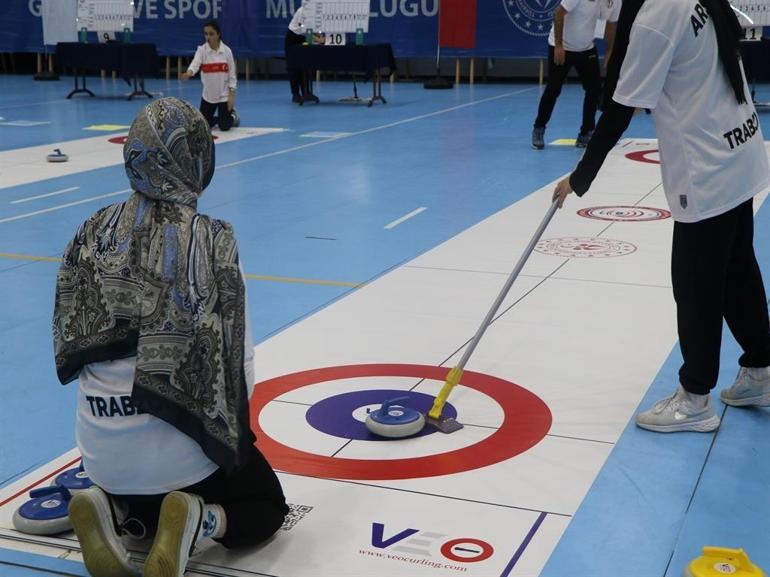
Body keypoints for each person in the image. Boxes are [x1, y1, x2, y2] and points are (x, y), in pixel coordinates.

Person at [54, 97, 288, 577]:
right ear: (198, 161)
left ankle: (115, 509)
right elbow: (237, 371)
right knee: (265, 503)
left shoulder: (89, 231)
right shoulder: (210, 239)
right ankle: (202, 521)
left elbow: (71, 351)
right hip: (180, 466)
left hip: (101, 453)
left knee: (135, 481)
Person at [552, 0, 770, 432]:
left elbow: (621, 109)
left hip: (707, 169)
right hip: (740, 152)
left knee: (695, 285)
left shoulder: (657, 17)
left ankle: (694, 399)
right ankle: (761, 371)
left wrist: (581, 177)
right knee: (735, 270)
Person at [531, 0, 620, 150]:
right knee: (553, 89)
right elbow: (558, 13)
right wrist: (559, 46)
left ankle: (586, 133)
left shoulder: (612, 1)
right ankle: (539, 128)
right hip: (561, 47)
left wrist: (609, 51)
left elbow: (611, 24)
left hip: (586, 48)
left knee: (594, 90)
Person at [181, 20, 238, 131]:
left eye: (211, 34)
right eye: (206, 34)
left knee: (224, 126)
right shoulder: (201, 50)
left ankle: (233, 116)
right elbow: (195, 64)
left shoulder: (227, 51)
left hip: (224, 96)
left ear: (218, 34)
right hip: (208, 96)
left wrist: (231, 96)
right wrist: (189, 73)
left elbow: (232, 75)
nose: (208, 37)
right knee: (204, 125)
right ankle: (219, 118)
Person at [285, 0, 323, 103]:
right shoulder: (301, 11)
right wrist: (318, 39)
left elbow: (316, 29)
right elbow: (304, 29)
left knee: (306, 65)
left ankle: (307, 93)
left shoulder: (317, 12)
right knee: (294, 68)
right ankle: (295, 94)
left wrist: (320, 36)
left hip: (304, 38)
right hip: (293, 38)